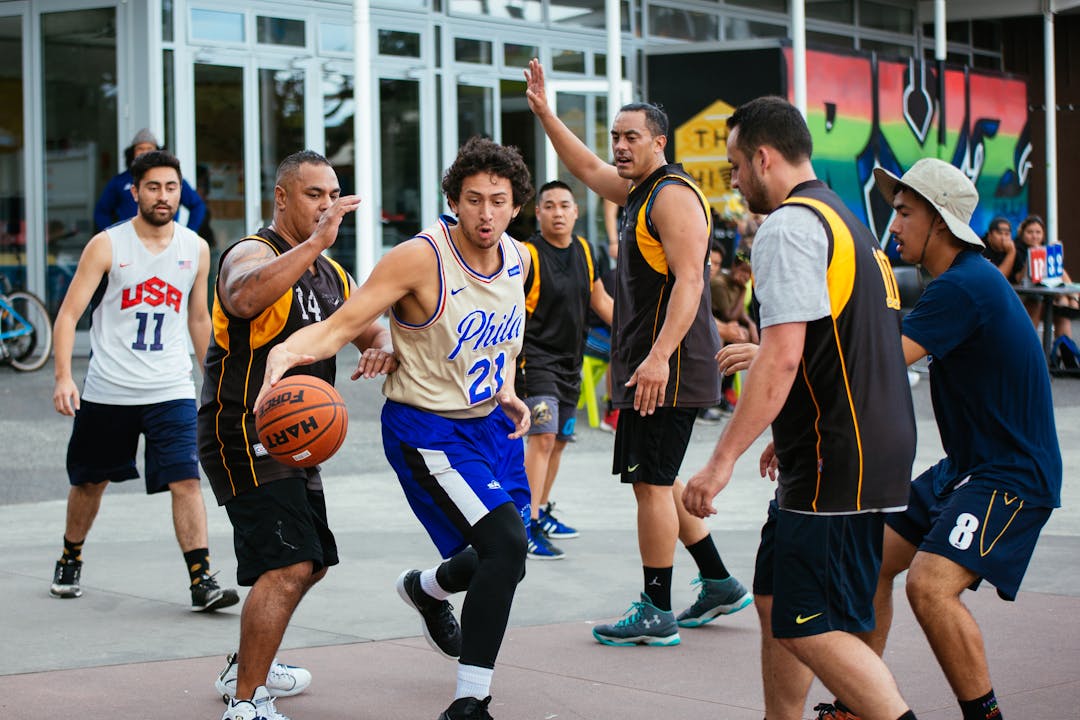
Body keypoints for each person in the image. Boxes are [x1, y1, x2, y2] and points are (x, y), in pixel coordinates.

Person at [259, 136, 535, 720]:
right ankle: (470, 703)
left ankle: (426, 589)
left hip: (491, 427)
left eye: (498, 201)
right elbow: (341, 325)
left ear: (516, 206)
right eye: (473, 200)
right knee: (505, 545)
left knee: (510, 554)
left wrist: (507, 389)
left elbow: (504, 338)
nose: (486, 214)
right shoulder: (419, 258)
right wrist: (285, 355)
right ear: (453, 202)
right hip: (428, 431)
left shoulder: (519, 258)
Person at [682, 96, 919, 720]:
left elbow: (785, 358)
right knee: (773, 597)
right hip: (859, 442)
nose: (734, 182)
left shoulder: (788, 226)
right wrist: (784, 423)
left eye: (736, 167)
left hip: (837, 454)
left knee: (807, 621)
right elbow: (835, 344)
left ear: (764, 158)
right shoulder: (845, 220)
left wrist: (720, 462)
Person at [816, 159, 1063, 720]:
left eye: (905, 213)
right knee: (872, 560)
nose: (893, 224)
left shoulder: (964, 286)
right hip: (968, 467)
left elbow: (872, 368)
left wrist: (779, 359)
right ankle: (859, 705)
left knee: (928, 586)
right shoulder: (954, 281)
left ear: (940, 221)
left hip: (1013, 473)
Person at [525, 59, 751, 647]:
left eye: (632, 137)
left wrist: (657, 358)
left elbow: (691, 282)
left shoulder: (671, 196)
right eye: (616, 137)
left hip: (666, 368)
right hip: (651, 364)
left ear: (659, 142)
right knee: (661, 479)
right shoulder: (638, 191)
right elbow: (585, 166)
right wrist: (546, 114)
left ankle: (656, 608)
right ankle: (719, 582)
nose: (620, 147)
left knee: (650, 484)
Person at [198, 149, 394, 720]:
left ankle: (247, 664)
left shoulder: (333, 275)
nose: (327, 206)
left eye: (333, 195)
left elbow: (372, 328)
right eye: (314, 195)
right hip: (241, 427)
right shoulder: (251, 252)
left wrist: (382, 346)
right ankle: (246, 701)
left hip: (295, 436)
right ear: (282, 198)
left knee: (313, 561)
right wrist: (315, 243)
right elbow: (243, 295)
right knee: (288, 564)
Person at [49, 149, 239, 615]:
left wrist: (213, 379)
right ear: (134, 192)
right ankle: (70, 556)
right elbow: (69, 315)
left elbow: (198, 318)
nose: (163, 196)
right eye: (153, 187)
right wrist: (63, 377)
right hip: (109, 389)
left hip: (170, 388)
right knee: (90, 482)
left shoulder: (195, 248)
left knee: (186, 480)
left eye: (171, 187)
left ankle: (202, 580)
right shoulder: (107, 246)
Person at [518, 180, 613, 559]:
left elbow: (601, 301)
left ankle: (540, 510)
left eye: (564, 205)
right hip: (535, 361)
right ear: (538, 213)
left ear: (575, 212)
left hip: (571, 363)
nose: (557, 213)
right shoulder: (527, 255)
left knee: (558, 441)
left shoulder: (587, 252)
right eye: (549, 206)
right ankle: (524, 524)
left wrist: (644, 337)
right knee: (542, 438)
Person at [94, 129, 207, 233]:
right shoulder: (120, 181)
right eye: (140, 149)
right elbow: (102, 211)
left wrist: (189, 233)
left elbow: (197, 205)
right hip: (130, 239)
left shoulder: (171, 179)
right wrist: (113, 236)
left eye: (149, 148)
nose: (145, 153)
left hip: (166, 238)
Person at [1011, 214, 1077, 339]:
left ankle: (1064, 349)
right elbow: (1019, 280)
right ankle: (1031, 346)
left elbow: (1059, 274)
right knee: (1040, 303)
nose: (1034, 236)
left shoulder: (1045, 249)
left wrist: (1056, 256)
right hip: (1024, 297)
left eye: (1038, 232)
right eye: (1030, 232)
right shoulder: (1016, 250)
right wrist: (1031, 257)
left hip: (1043, 296)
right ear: (1022, 233)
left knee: (1062, 307)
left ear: (1043, 234)